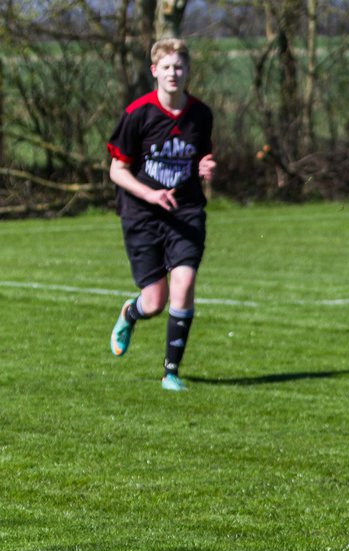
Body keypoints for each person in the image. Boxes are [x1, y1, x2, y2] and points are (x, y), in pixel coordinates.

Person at [107, 38, 216, 391]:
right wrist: (151, 194)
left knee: (184, 284)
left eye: (179, 66)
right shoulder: (137, 113)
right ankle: (130, 313)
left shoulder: (201, 114)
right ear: (154, 71)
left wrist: (206, 166)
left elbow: (201, 155)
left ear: (188, 72)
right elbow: (117, 170)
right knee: (155, 301)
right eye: (166, 67)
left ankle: (171, 372)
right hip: (141, 213)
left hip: (185, 210)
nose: (173, 73)